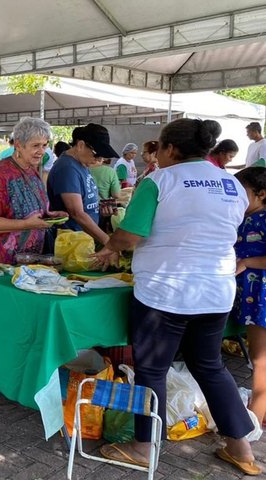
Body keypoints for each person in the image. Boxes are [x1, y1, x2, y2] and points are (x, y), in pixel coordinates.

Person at [94, 118, 259, 476]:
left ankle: (143, 446)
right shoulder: (231, 184)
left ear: (169, 149)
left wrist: (110, 248)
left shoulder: (160, 180)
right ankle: (241, 449)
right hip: (215, 291)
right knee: (210, 366)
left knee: (151, 369)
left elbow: (130, 234)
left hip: (164, 292)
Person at [0, 117, 66, 267]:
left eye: (44, 145)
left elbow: (31, 207)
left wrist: (49, 215)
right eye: (35, 145)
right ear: (18, 145)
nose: (41, 151)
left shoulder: (31, 170)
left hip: (26, 261)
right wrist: (26, 224)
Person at [233, 167, 266, 431]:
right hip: (253, 295)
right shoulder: (246, 218)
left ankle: (252, 419)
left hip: (262, 297)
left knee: (260, 359)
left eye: (241, 193)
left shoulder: (263, 219)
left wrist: (246, 261)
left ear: (261, 194)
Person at [47, 124, 116, 246]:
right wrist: (108, 241)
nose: (98, 160)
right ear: (80, 145)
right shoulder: (67, 168)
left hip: (82, 240)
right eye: (96, 154)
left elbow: (84, 202)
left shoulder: (81, 164)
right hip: (71, 243)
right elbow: (77, 213)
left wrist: (99, 209)